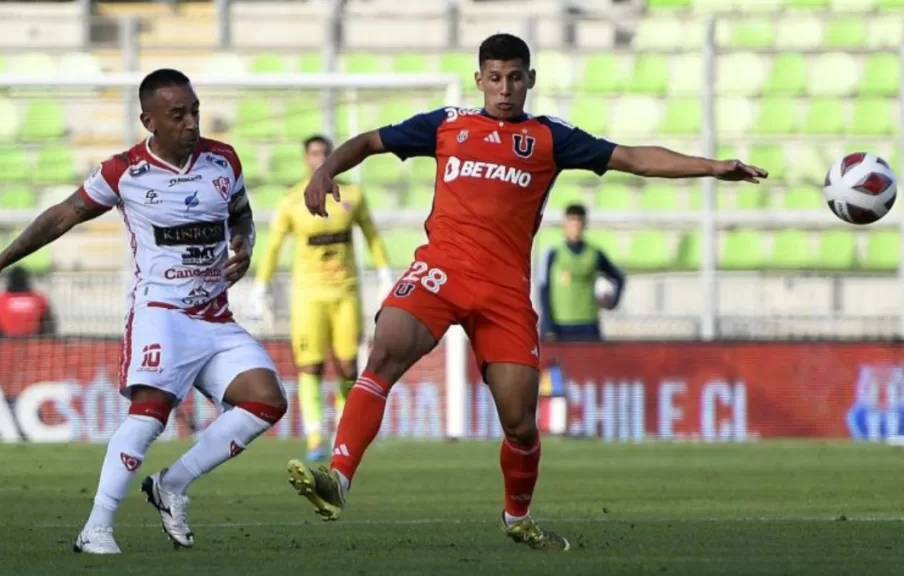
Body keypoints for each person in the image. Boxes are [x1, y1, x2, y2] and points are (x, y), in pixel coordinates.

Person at [285, 33, 766, 550]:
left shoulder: (549, 137)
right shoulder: (448, 124)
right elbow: (369, 142)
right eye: (494, 78)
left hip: (504, 293)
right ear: (479, 80)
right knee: (386, 351)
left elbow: (632, 158)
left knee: (519, 425)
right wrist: (326, 169)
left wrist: (713, 167)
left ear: (530, 79)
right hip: (441, 271)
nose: (504, 89)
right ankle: (338, 477)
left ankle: (517, 517)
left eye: (515, 78)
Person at [0, 69, 287, 555]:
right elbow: (63, 214)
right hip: (161, 313)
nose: (191, 122)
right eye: (178, 114)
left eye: (194, 110)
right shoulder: (125, 171)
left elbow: (241, 214)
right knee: (150, 415)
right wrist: (0, 261)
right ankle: (96, 528)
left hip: (214, 315)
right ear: (149, 120)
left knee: (266, 401)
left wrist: (244, 243)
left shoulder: (223, 159)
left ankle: (172, 484)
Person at [252, 135, 393, 462]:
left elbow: (372, 235)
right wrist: (261, 287)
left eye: (325, 153)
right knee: (310, 366)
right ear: (306, 159)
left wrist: (385, 274)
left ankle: (343, 434)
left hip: (346, 292)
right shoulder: (291, 200)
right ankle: (315, 436)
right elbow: (273, 246)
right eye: (314, 153)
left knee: (347, 367)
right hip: (308, 296)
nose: (319, 158)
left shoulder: (353, 195)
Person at [537, 203, 624, 342]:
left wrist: (613, 302)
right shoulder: (553, 253)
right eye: (572, 221)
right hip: (560, 325)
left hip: (587, 323)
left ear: (584, 224)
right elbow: (543, 289)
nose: (575, 226)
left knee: (590, 363)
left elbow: (618, 277)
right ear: (565, 223)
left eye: (579, 221)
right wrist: (547, 326)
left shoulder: (594, 253)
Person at [0, 266, 56, 337]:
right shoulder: (39, 300)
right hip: (34, 345)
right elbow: (49, 327)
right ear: (27, 280)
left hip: (5, 345)